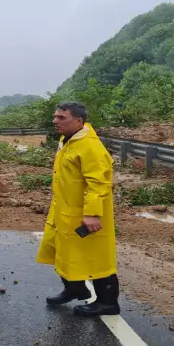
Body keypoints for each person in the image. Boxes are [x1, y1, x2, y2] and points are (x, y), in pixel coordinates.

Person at [36, 102, 119, 317]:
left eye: (61, 117)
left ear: (79, 121)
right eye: (55, 117)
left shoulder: (89, 145)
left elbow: (99, 183)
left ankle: (108, 303)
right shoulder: (70, 140)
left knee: (96, 258)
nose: (55, 121)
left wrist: (92, 213)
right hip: (64, 209)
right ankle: (75, 289)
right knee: (62, 251)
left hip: (84, 213)